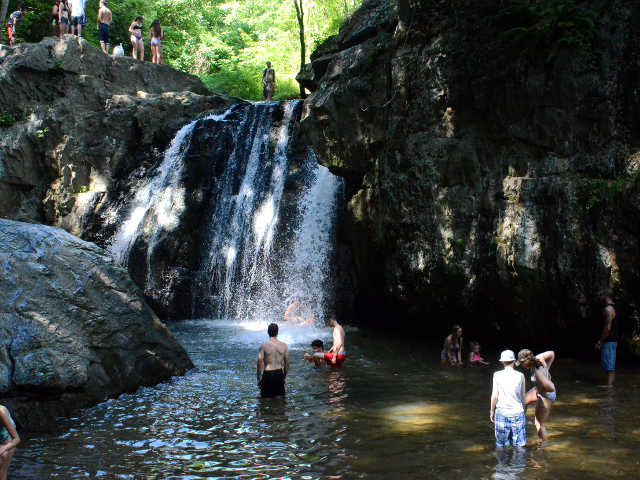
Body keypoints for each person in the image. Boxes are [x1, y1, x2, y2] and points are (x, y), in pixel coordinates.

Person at [516, 350, 555, 442]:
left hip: (546, 396)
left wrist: (543, 389)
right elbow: (552, 354)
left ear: (526, 362)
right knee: (523, 402)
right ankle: (519, 426)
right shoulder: (539, 357)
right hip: (538, 390)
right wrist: (547, 369)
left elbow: (552, 388)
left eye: (522, 363)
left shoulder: (538, 373)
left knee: (539, 424)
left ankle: (542, 445)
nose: (522, 366)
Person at [490, 350, 527, 449]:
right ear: (514, 361)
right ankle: (519, 464)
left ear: (502, 362)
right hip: (517, 413)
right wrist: (523, 412)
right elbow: (523, 398)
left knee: (501, 446)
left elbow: (494, 396)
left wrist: (491, 411)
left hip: (502, 413)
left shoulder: (497, 375)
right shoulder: (521, 375)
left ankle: (502, 464)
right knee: (519, 447)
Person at [257, 323, 289, 398]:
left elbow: (259, 363)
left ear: (268, 332)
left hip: (268, 373)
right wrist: (284, 377)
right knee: (279, 399)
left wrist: (258, 379)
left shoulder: (264, 346)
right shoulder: (284, 345)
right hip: (279, 373)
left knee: (266, 399)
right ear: (277, 333)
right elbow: (287, 363)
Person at [595, 288, 618, 387]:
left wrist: (600, 342)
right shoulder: (615, 307)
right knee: (611, 364)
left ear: (605, 295)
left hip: (608, 340)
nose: (600, 297)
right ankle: (611, 384)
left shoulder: (608, 310)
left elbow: (607, 328)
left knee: (608, 365)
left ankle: (609, 387)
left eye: (601, 295)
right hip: (614, 340)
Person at [0, 404, 19, 480]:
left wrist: (2, 449)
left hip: (7, 438)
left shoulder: (1, 412)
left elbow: (16, 439)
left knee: (1, 474)